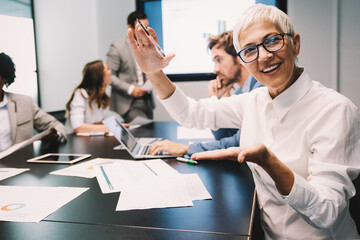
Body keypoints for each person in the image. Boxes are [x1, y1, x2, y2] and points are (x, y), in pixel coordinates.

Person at [128, 4, 360, 239]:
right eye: (250, 50)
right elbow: (190, 113)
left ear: (295, 43)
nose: (264, 55)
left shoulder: (335, 110)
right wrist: (155, 72)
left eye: (272, 40)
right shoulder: (256, 99)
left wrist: (269, 162)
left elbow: (327, 212)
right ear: (244, 61)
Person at [149, 31, 262, 156]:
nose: (215, 70)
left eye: (219, 60)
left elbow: (238, 143)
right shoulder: (242, 92)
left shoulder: (260, 89)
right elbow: (224, 138)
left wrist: (186, 149)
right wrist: (217, 98)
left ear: (240, 57)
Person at [0, 52, 66, 152]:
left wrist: (56, 135)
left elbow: (57, 126)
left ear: (5, 77)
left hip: (20, 165)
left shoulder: (24, 103)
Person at [106, 11, 154, 123]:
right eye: (140, 28)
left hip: (147, 101)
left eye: (146, 27)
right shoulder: (118, 48)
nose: (144, 31)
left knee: (149, 133)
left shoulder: (149, 46)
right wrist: (131, 89)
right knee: (144, 131)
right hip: (128, 102)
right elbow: (110, 77)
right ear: (130, 27)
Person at [65, 60, 125, 134]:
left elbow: (100, 122)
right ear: (99, 76)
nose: (110, 71)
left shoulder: (103, 95)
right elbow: (78, 127)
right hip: (74, 139)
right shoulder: (80, 94)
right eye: (107, 69)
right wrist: (112, 128)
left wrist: (119, 126)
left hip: (91, 137)